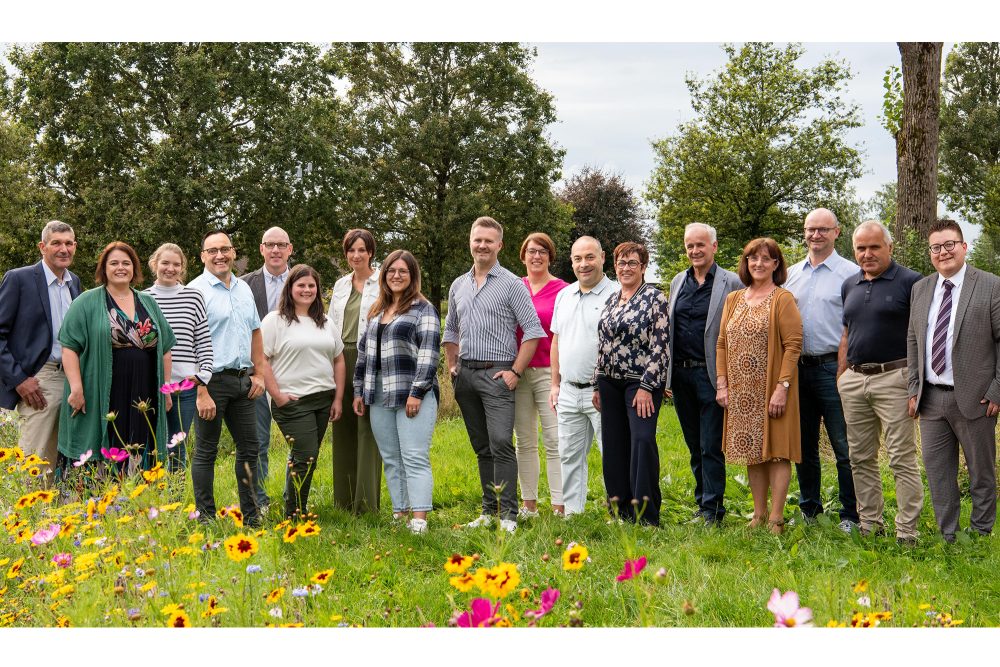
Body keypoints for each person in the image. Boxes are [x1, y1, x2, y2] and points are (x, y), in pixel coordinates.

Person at [444, 216, 545, 533]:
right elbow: (450, 331)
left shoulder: (512, 284)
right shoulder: (458, 285)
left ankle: (508, 516)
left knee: (501, 442)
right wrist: (452, 366)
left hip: (498, 374)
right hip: (466, 377)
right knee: (482, 447)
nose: (482, 245)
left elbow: (532, 331)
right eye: (478, 239)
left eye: (489, 240)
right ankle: (489, 511)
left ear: (499, 245)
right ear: (470, 242)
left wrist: (516, 371)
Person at [906, 219, 999, 542]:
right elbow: (913, 340)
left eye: (949, 245)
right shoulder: (921, 288)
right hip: (931, 399)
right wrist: (914, 387)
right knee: (939, 474)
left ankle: (980, 533)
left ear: (963, 246)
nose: (943, 252)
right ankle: (949, 535)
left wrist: (997, 390)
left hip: (976, 397)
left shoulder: (990, 285)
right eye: (936, 247)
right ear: (930, 252)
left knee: (981, 472)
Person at [838, 220, 924, 546]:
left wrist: (916, 384)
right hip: (855, 381)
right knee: (859, 458)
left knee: (901, 458)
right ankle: (870, 525)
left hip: (896, 378)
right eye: (861, 248)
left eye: (874, 247)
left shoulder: (911, 282)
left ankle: (907, 533)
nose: (867, 254)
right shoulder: (850, 285)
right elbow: (846, 333)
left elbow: (922, 337)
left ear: (890, 247)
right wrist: (841, 375)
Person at [59, 242, 176, 472]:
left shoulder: (148, 302)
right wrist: (76, 387)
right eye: (113, 263)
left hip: (145, 392)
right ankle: (104, 500)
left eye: (126, 263)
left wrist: (166, 389)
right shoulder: (86, 302)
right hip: (105, 390)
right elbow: (69, 347)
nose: (120, 268)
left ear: (134, 268)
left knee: (142, 446)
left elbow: (165, 348)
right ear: (104, 269)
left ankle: (136, 498)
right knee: (108, 448)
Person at [716, 238, 802, 535]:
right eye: (753, 258)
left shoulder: (783, 298)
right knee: (752, 450)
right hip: (740, 391)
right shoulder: (734, 299)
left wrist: (783, 386)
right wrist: (722, 383)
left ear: (776, 264)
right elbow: (721, 343)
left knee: (777, 451)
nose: (759, 264)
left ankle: (777, 517)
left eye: (766, 259)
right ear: (746, 262)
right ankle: (759, 513)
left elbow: (793, 345)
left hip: (771, 390)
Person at [353, 250, 441, 534]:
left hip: (411, 393)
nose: (396, 275)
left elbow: (429, 355)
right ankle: (400, 512)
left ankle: (419, 519)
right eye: (391, 271)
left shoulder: (422, 309)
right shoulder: (376, 311)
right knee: (391, 457)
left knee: (414, 455)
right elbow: (364, 355)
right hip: (378, 393)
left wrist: (417, 392)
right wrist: (359, 391)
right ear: (384, 275)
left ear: (412, 275)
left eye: (403, 271)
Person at [783, 208, 860, 532]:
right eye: (811, 229)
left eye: (823, 229)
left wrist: (846, 369)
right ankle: (809, 507)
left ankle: (851, 514)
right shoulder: (790, 275)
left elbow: (857, 324)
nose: (816, 235)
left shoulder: (851, 274)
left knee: (844, 446)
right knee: (804, 445)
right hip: (799, 370)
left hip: (834, 369)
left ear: (837, 232)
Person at [188, 231, 268, 527]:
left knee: (251, 448)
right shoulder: (194, 291)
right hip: (211, 384)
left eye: (224, 249)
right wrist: (200, 391)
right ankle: (206, 519)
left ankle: (252, 517)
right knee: (206, 451)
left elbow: (256, 331)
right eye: (212, 251)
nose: (219, 255)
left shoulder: (243, 288)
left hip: (242, 381)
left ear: (233, 253)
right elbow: (188, 343)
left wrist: (258, 374)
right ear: (203, 256)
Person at [666, 223, 743, 526]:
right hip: (682, 376)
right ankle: (702, 504)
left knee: (711, 445)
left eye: (700, 245)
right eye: (689, 246)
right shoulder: (677, 281)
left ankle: (713, 510)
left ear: (714, 246)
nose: (695, 251)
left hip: (712, 375)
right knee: (693, 443)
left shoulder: (731, 282)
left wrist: (730, 379)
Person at [259, 264, 345, 519]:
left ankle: (295, 504)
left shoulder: (326, 322)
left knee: (306, 457)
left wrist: (338, 398)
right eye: (301, 285)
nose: (307, 290)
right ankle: (295, 513)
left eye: (311, 286)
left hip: (323, 398)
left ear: (317, 290)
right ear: (291, 288)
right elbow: (261, 359)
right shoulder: (275, 321)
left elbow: (338, 359)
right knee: (305, 456)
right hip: (293, 401)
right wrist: (278, 396)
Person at [0, 221, 82, 484]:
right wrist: (19, 379)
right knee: (34, 460)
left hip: (73, 379)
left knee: (63, 458)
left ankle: (54, 519)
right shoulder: (19, 279)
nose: (63, 249)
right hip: (40, 378)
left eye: (69, 243)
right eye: (56, 243)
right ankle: (25, 519)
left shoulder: (74, 283)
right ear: (42, 246)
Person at [595, 241, 669, 526]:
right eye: (621, 263)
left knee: (642, 442)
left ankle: (647, 515)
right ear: (615, 267)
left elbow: (660, 346)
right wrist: (595, 384)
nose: (626, 268)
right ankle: (620, 510)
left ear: (643, 267)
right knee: (614, 446)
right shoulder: (613, 300)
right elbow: (601, 344)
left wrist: (648, 387)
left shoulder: (654, 298)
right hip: (608, 382)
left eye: (632, 263)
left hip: (640, 385)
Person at [549, 236, 617, 517]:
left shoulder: (616, 293)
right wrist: (555, 384)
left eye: (589, 257)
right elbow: (557, 340)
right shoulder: (564, 295)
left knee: (611, 452)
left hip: (602, 390)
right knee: (569, 455)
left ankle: (620, 510)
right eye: (578, 259)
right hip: (568, 390)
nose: (583, 264)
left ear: (602, 257)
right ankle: (573, 513)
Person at [145, 243, 214, 470]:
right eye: (165, 263)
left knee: (177, 446)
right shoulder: (143, 299)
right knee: (150, 444)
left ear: (182, 268)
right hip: (152, 383)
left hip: (184, 387)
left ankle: (175, 500)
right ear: (155, 264)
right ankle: (151, 496)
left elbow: (203, 340)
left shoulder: (193, 297)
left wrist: (203, 374)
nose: (170, 268)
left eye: (176, 264)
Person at [328, 229, 383, 513]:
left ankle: (366, 503)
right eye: (351, 250)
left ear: (371, 252)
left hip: (370, 360)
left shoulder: (383, 282)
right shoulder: (340, 285)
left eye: (362, 250)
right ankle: (344, 501)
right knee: (343, 427)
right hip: (341, 359)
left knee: (368, 429)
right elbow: (331, 324)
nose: (356, 255)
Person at [514, 232, 568, 518]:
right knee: (524, 441)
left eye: (542, 252)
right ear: (523, 255)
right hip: (519, 372)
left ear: (550, 256)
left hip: (550, 372)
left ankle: (560, 505)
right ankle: (529, 505)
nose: (536, 256)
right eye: (531, 251)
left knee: (554, 440)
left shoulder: (563, 290)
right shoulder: (514, 287)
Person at [241, 226, 294, 510]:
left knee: (298, 442)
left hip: (293, 373)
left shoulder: (302, 281)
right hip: (257, 374)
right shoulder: (244, 284)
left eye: (281, 245)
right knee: (258, 440)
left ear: (290, 249)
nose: (275, 250)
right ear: (261, 248)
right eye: (269, 244)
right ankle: (258, 501)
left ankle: (294, 497)